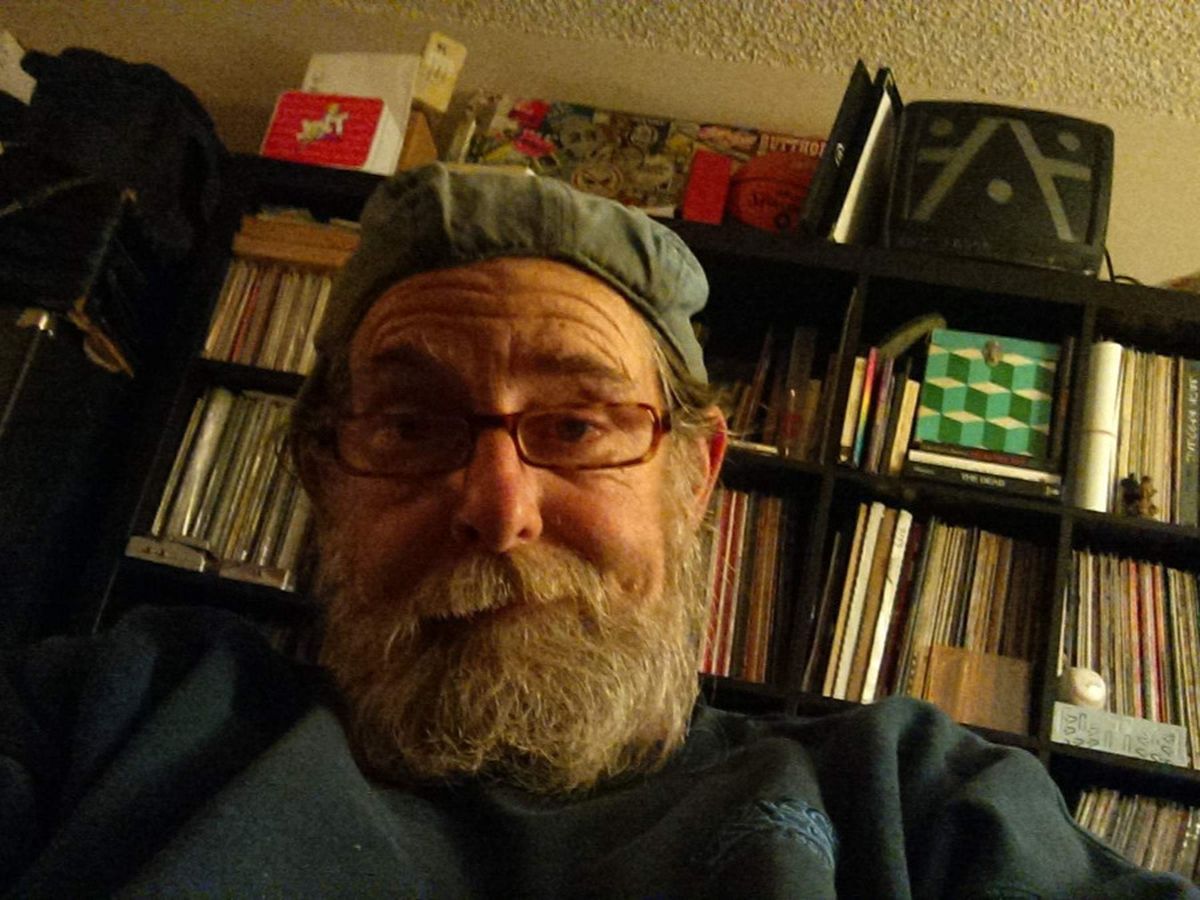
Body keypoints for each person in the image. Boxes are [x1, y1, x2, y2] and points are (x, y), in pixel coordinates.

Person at [1, 164, 1194, 898]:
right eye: (411, 425)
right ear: (324, 474)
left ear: (694, 476)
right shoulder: (109, 721)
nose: (497, 507)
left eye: (576, 425)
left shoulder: (914, 811)